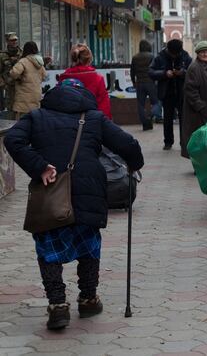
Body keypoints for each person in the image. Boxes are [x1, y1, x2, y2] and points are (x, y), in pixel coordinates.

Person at [4, 80, 144, 330]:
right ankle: (88, 299)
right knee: (88, 246)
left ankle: (58, 305)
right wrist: (135, 163)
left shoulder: (36, 116)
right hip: (87, 193)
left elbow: (12, 139)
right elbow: (129, 145)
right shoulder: (93, 117)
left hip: (50, 192)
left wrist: (39, 167)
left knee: (49, 249)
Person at [149, 39, 192, 151]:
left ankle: (184, 142)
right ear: (168, 50)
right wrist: (164, 73)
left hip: (182, 92)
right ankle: (168, 142)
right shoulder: (160, 56)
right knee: (167, 119)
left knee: (184, 119)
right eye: (172, 53)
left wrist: (182, 72)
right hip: (167, 92)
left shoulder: (185, 55)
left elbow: (192, 70)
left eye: (176, 54)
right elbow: (151, 71)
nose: (174, 55)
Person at [58, 44, 112, 119]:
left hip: (67, 122)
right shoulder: (97, 78)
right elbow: (104, 106)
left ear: (73, 58)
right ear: (89, 59)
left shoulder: (63, 78)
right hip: (91, 121)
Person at [9, 41, 46, 119]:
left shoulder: (23, 61)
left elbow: (14, 73)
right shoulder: (40, 62)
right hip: (36, 95)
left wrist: (20, 78)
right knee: (34, 120)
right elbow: (44, 76)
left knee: (22, 122)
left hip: (24, 98)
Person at [131, 40, 159, 131]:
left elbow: (132, 71)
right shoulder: (151, 56)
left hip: (139, 83)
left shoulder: (135, 57)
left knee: (140, 104)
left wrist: (133, 82)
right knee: (155, 103)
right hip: (150, 82)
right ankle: (150, 115)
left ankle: (145, 122)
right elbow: (155, 69)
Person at [0, 32, 21, 112]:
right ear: (7, 41)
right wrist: (3, 83)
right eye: (12, 40)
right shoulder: (2, 55)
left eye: (15, 40)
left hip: (21, 85)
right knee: (11, 108)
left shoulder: (22, 53)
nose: (14, 42)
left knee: (21, 107)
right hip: (9, 87)